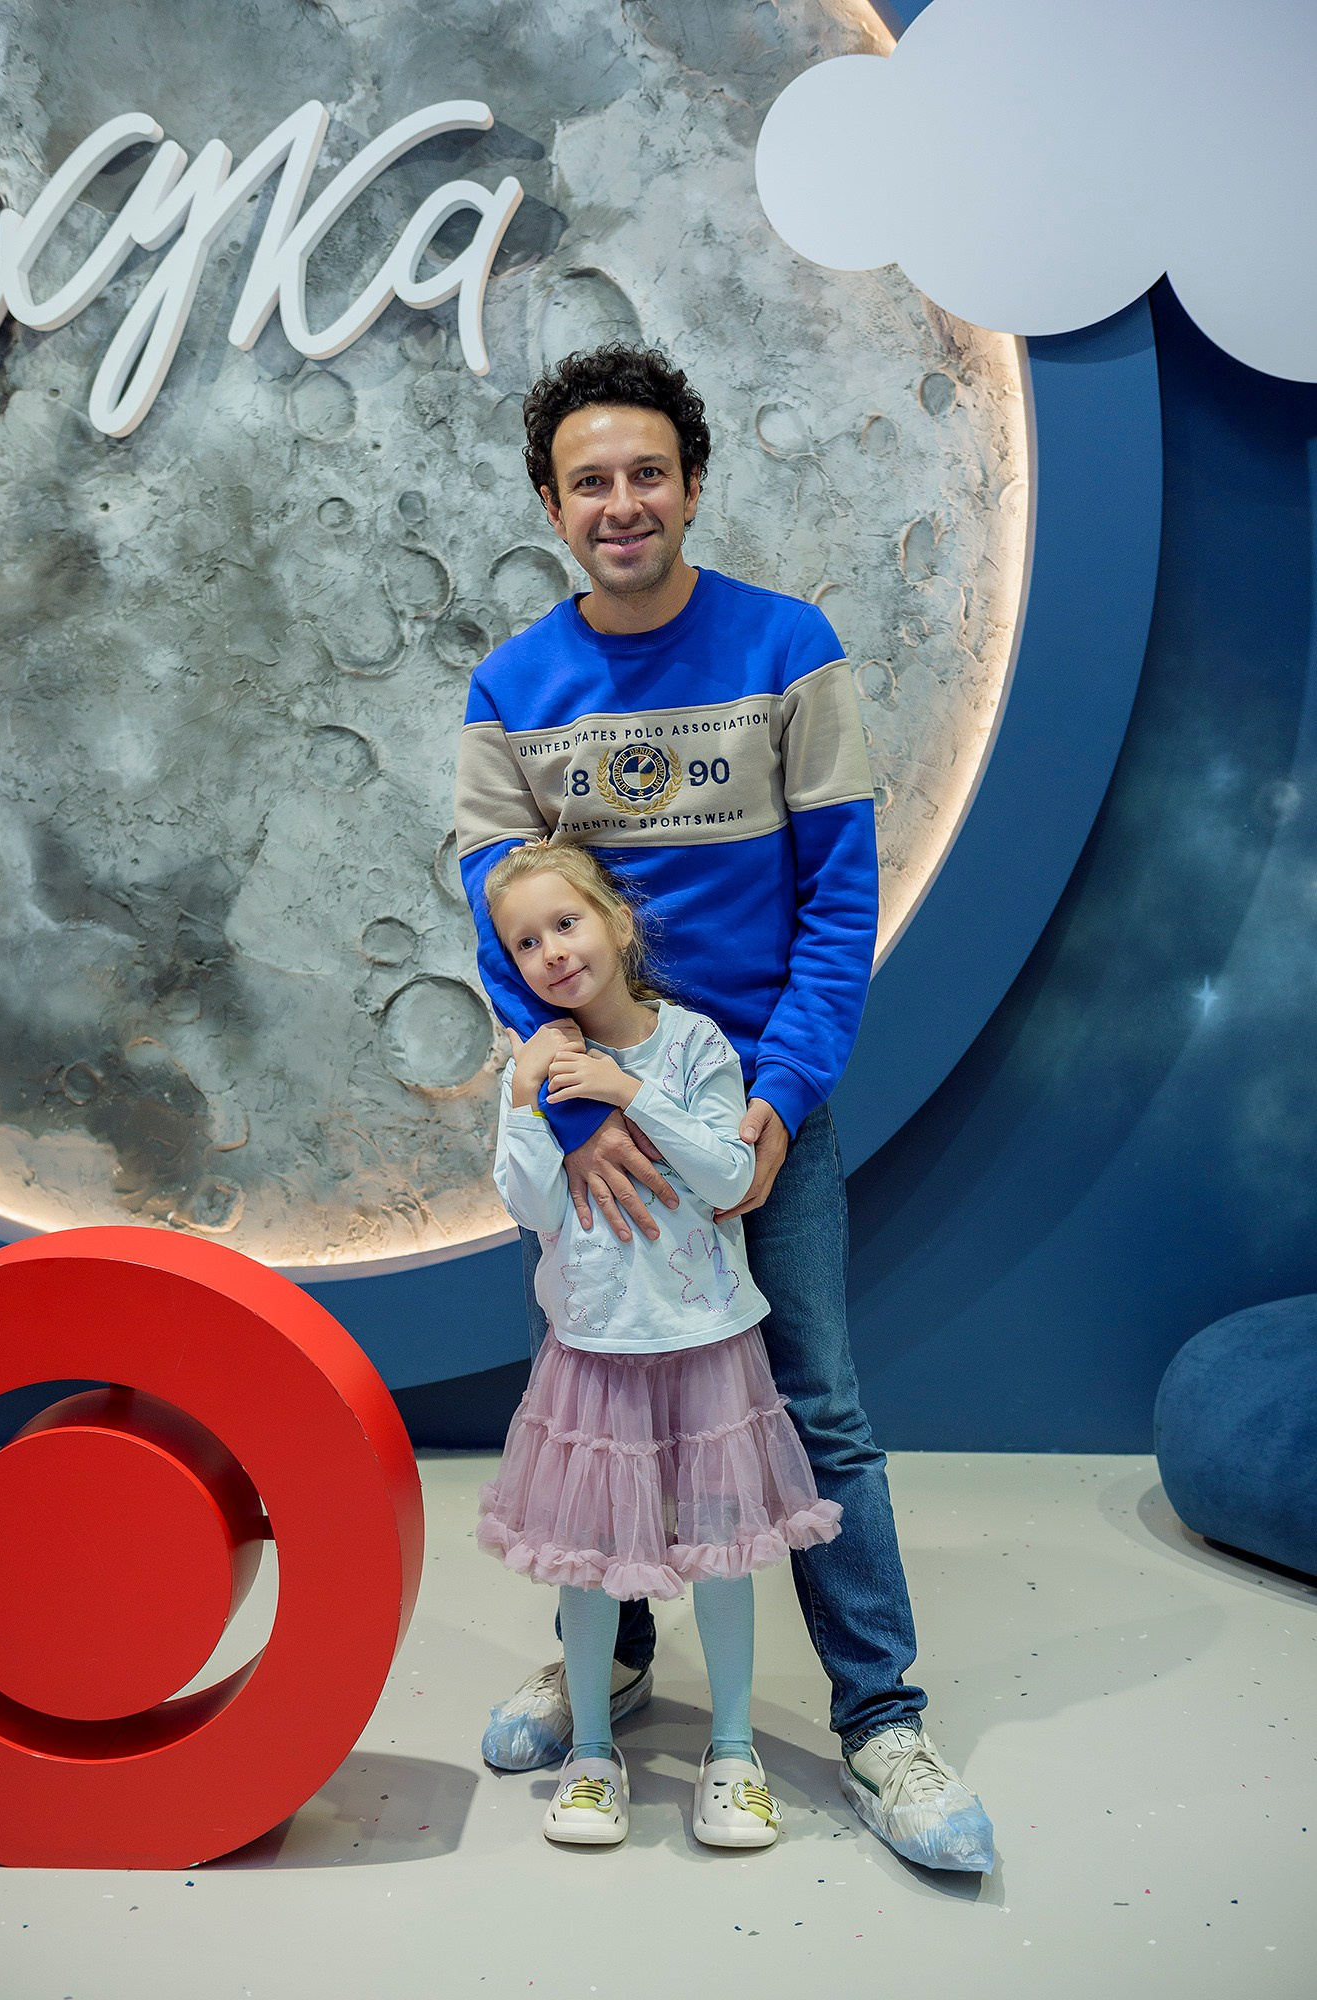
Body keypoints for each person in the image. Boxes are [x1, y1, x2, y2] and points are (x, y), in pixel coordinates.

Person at [454, 343, 993, 1873]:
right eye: (588, 482)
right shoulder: (510, 690)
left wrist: (776, 1101)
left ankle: (879, 1720)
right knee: (611, 1395)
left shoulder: (786, 650)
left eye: (646, 473)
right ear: (551, 508)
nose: (620, 503)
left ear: (690, 485)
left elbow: (836, 903)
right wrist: (580, 1118)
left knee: (814, 1405)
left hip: (756, 1110)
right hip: (596, 1125)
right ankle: (612, 1666)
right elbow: (497, 922)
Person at [478, 841, 842, 1847]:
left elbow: (729, 1175)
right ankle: (593, 1750)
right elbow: (530, 1204)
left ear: (618, 923)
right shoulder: (535, 1067)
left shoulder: (692, 1044)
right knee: (590, 1557)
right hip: (594, 1350)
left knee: (722, 1550)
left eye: (566, 923)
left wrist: (628, 1091)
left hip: (706, 1341)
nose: (553, 951)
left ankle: (732, 1750)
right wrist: (528, 1097)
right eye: (526, 942)